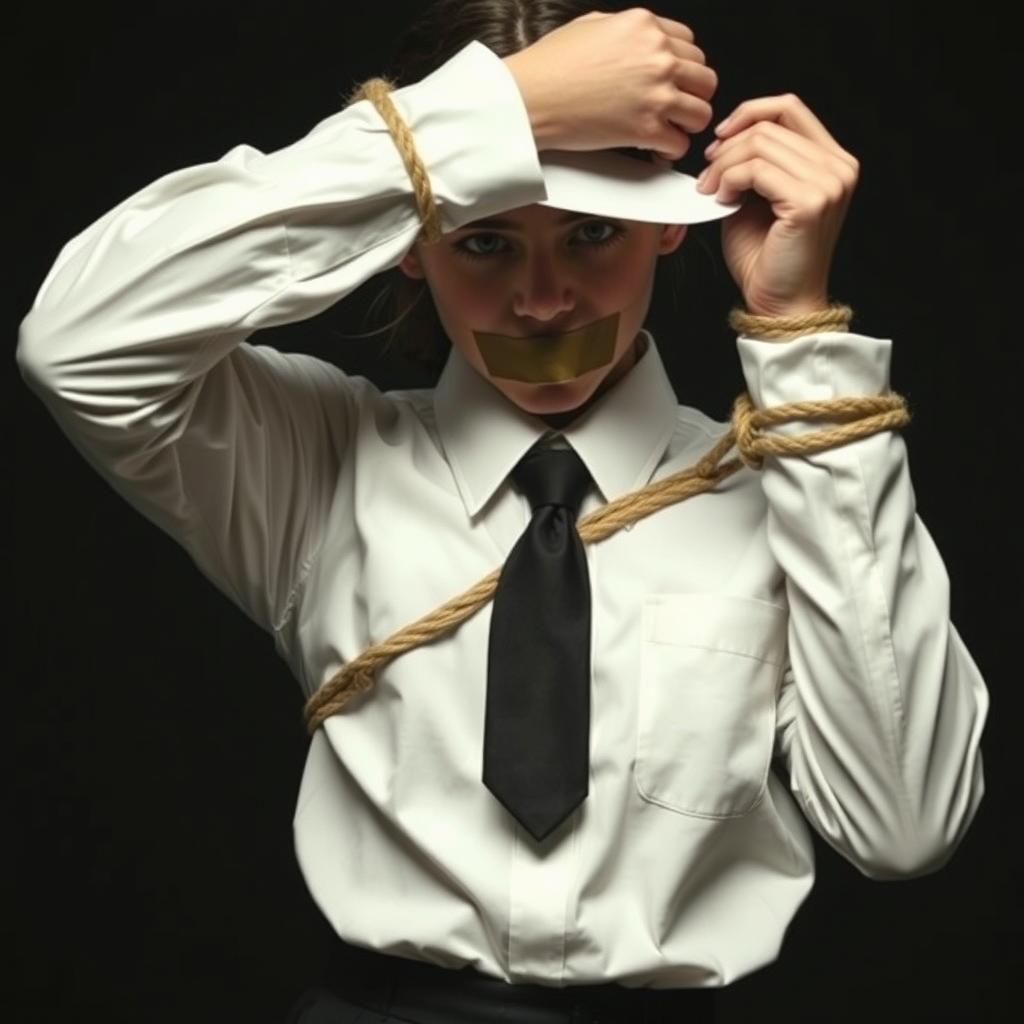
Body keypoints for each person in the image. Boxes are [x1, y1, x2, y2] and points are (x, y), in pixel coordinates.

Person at [15, 2, 989, 1022]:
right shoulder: (311, 465)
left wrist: (798, 343)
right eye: (482, 243)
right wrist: (481, 120)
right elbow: (79, 343)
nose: (540, 301)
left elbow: (905, 825)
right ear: (405, 241)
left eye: (591, 233)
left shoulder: (779, 494)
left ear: (667, 222)